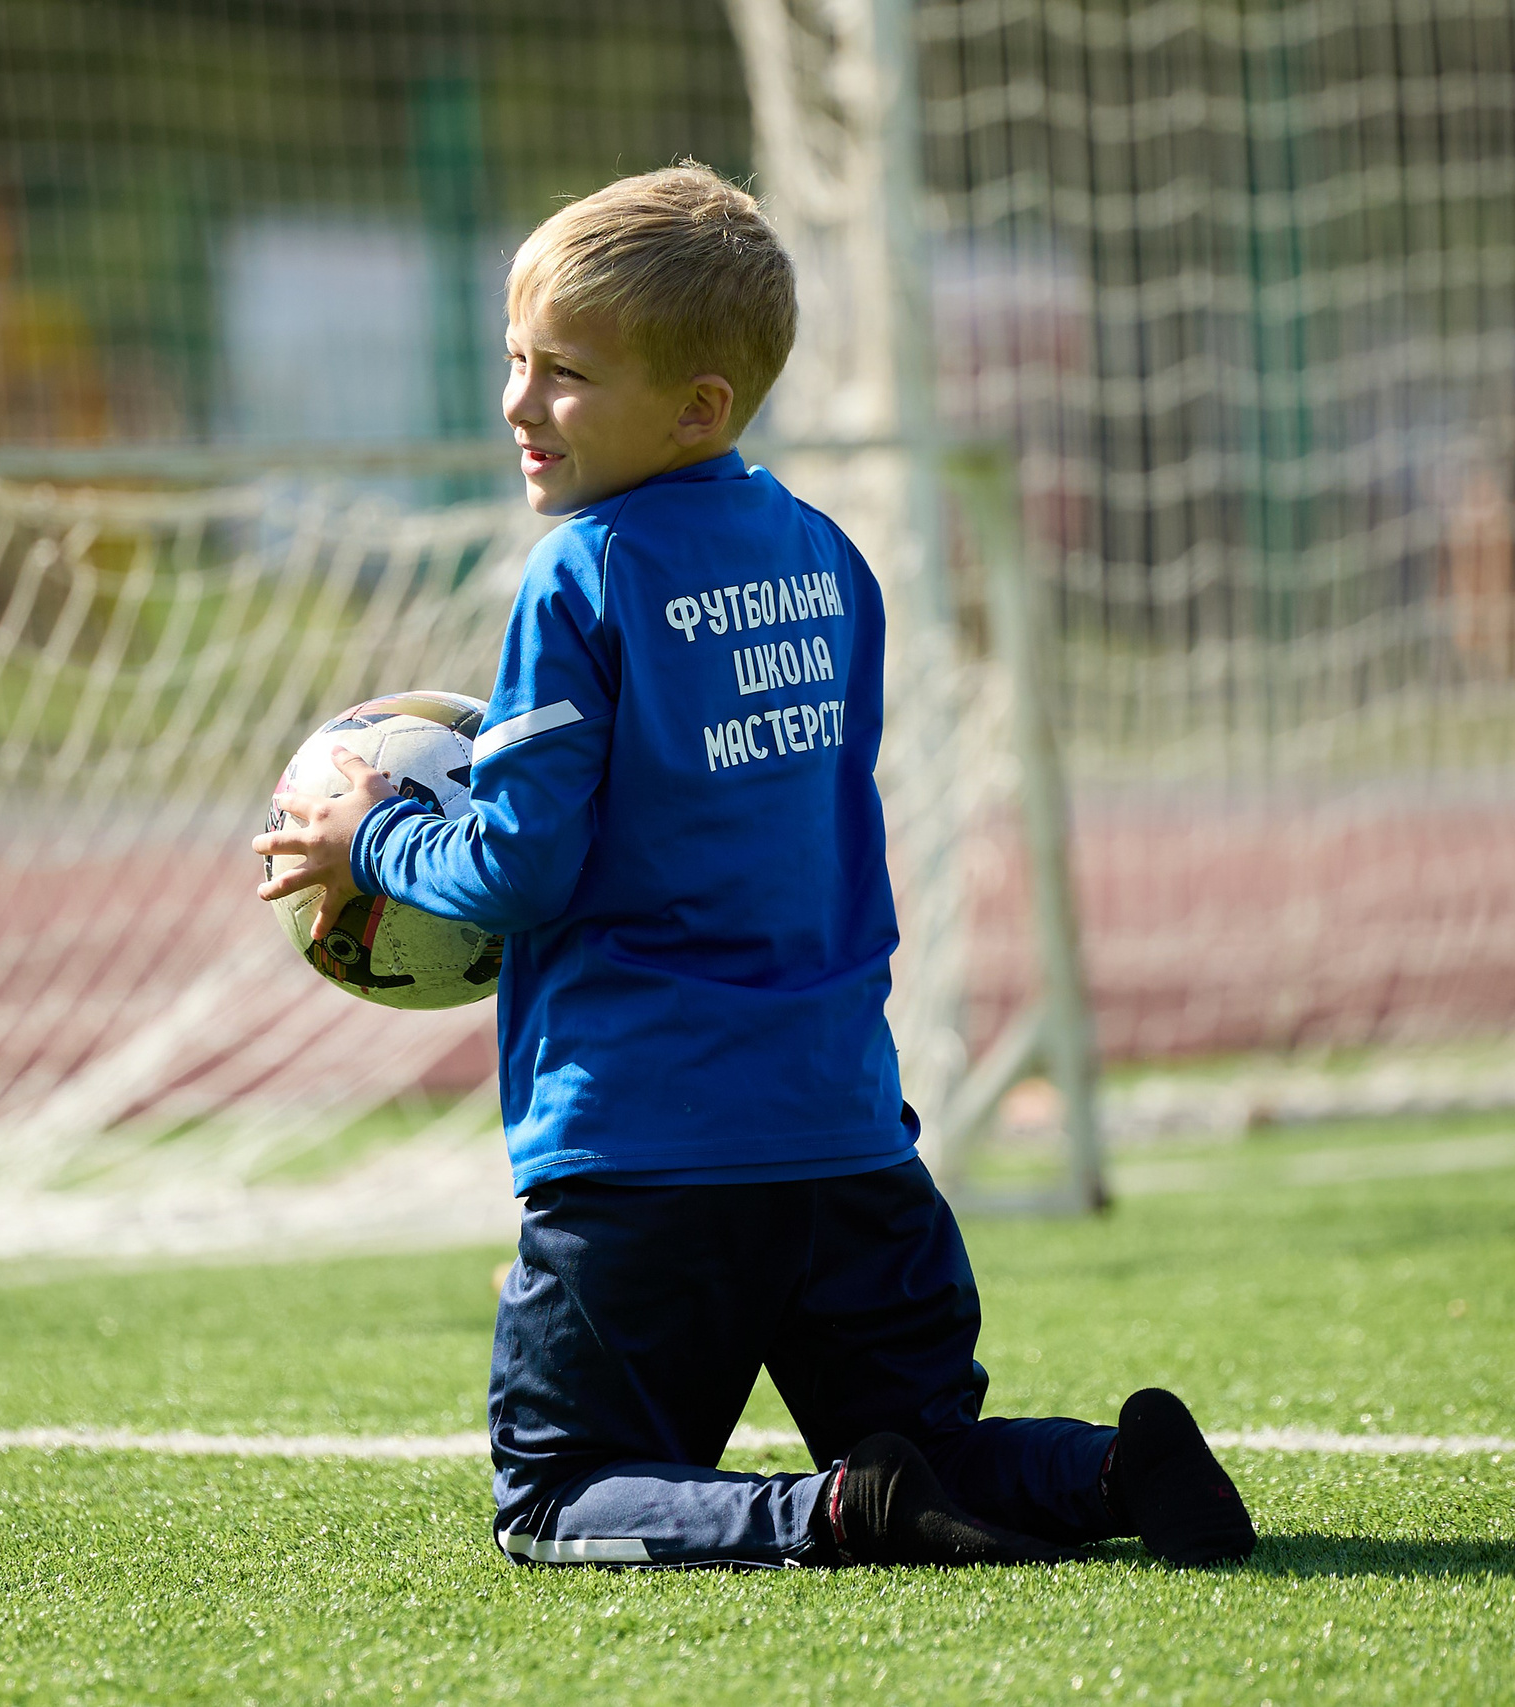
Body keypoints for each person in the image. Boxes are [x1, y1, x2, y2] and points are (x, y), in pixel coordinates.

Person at [252, 163, 1256, 1570]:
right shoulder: (828, 558)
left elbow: (520, 870)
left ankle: (833, 1511)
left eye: (566, 376)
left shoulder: (583, 574)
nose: (520, 405)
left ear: (699, 406)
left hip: (648, 1150)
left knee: (555, 1496)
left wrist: (368, 839)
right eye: (517, 361)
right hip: (849, 1135)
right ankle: (1111, 1470)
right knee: (936, 1439)